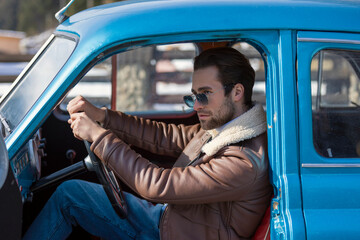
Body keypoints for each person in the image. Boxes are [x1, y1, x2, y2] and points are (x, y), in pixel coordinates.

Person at [23, 47, 272, 240]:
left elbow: (157, 185)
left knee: (70, 198)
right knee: (72, 193)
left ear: (237, 93)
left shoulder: (242, 161)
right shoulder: (224, 131)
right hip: (173, 221)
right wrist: (103, 117)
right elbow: (164, 136)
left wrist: (99, 136)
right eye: (194, 96)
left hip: (168, 233)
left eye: (204, 95)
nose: (197, 105)